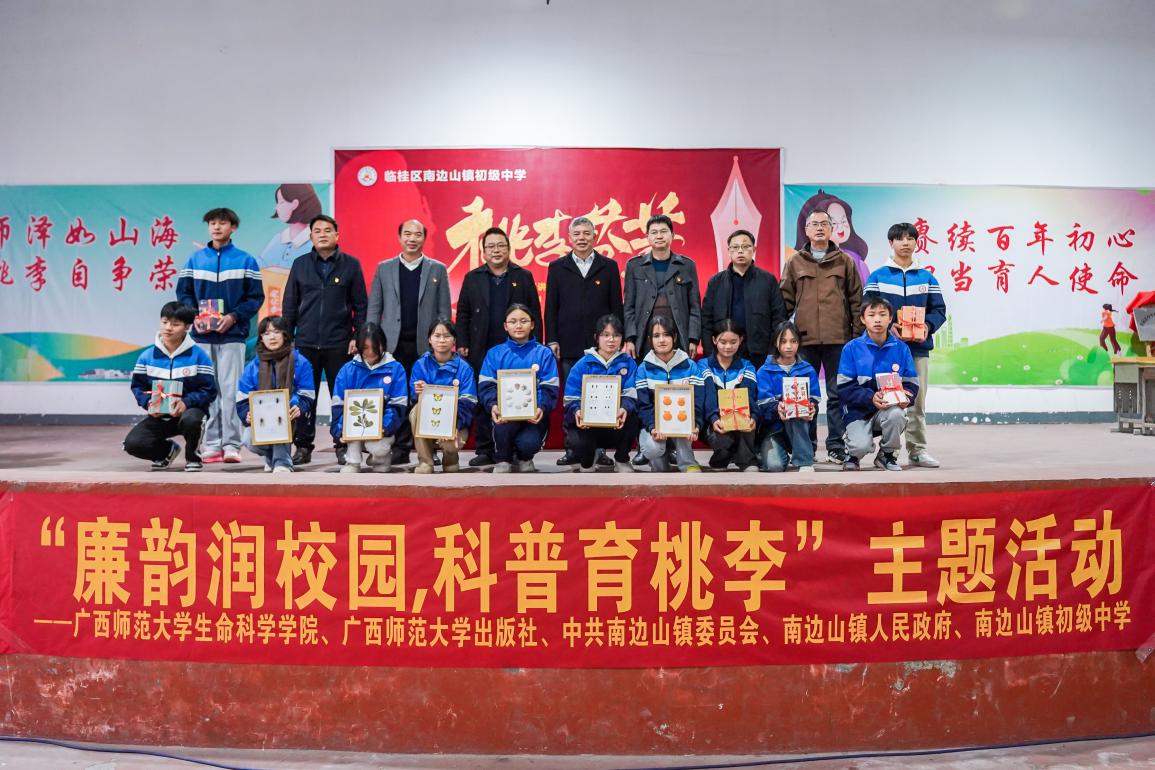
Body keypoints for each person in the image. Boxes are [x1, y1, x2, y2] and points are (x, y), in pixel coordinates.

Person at [176, 207, 264, 465]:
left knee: (231, 390)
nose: (216, 227)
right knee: (208, 390)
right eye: (212, 223)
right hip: (202, 338)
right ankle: (212, 444)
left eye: (222, 223)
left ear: (233, 227)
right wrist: (194, 316)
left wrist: (233, 317)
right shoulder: (194, 260)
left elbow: (255, 297)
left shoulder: (245, 260)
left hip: (232, 336)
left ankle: (232, 445)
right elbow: (184, 294)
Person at [280, 214, 369, 467]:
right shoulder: (300, 265)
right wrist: (288, 339)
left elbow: (361, 306)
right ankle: (303, 446)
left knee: (340, 396)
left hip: (339, 342)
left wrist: (357, 337)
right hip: (305, 342)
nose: (322, 234)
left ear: (337, 235)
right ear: (310, 236)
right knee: (304, 395)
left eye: (327, 230)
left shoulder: (351, 265)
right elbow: (290, 305)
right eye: (317, 231)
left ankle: (342, 444)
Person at [780, 209, 863, 465]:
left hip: (839, 340)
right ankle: (807, 446)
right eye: (814, 224)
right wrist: (783, 340)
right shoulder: (795, 263)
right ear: (806, 230)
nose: (819, 228)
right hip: (805, 342)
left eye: (824, 224)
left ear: (831, 229)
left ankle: (836, 446)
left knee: (837, 395)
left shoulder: (845, 261)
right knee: (805, 395)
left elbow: (856, 301)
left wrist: (856, 339)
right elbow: (784, 303)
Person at [366, 219, 452, 465]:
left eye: (417, 234)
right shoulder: (384, 268)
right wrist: (371, 339)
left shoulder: (437, 269)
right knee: (397, 396)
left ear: (424, 238)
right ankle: (401, 448)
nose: (412, 238)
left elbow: (444, 310)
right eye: (407, 234)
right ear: (399, 237)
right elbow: (375, 307)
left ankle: (430, 449)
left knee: (428, 396)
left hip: (425, 346)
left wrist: (442, 340)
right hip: (393, 345)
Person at [862, 222, 947, 468]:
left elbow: (939, 310)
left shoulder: (927, 278)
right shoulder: (878, 277)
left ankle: (917, 450)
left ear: (917, 242)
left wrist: (927, 326)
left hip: (918, 350)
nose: (906, 243)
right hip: (886, 350)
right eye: (900, 238)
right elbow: (866, 309)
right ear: (891, 243)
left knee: (916, 402)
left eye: (910, 238)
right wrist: (888, 327)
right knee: (889, 400)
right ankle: (888, 452)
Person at [456, 226, 542, 467]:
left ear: (509, 249)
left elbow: (534, 312)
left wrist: (537, 343)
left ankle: (512, 448)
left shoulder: (522, 276)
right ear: (483, 252)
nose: (496, 250)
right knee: (485, 395)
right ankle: (485, 448)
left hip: (517, 348)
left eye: (501, 246)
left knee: (518, 394)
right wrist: (462, 342)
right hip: (481, 345)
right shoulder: (472, 278)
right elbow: (463, 312)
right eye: (491, 246)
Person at [544, 216, 623, 466]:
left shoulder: (608, 266)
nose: (582, 238)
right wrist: (552, 339)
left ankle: (600, 449)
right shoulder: (557, 267)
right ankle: (572, 448)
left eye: (586, 233)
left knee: (602, 396)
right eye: (576, 233)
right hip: (569, 343)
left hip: (603, 348)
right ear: (569, 238)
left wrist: (617, 339)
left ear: (595, 236)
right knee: (573, 398)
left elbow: (616, 306)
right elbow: (551, 308)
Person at [124, 301, 218, 471]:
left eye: (175, 324)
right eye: (164, 322)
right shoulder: (147, 356)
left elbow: (209, 390)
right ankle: (166, 452)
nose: (168, 328)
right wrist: (148, 404)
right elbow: (138, 387)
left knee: (193, 420)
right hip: (160, 416)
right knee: (132, 443)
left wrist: (186, 403)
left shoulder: (199, 356)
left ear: (187, 327)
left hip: (189, 413)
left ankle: (193, 457)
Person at [837, 298, 919, 472]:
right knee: (860, 446)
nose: (877, 320)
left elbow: (911, 384)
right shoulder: (851, 348)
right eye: (871, 315)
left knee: (897, 415)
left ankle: (887, 455)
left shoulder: (902, 349)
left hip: (887, 410)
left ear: (890, 318)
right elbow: (844, 388)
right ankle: (853, 454)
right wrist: (870, 397)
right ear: (862, 319)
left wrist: (906, 398)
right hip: (857, 411)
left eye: (882, 314)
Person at [478, 304, 559, 474]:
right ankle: (503, 458)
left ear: (532, 324)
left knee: (529, 443)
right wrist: (493, 405)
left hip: (533, 416)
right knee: (501, 427)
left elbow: (550, 388)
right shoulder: (495, 353)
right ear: (505, 326)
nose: (518, 325)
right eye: (513, 321)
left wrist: (541, 407)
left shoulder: (543, 353)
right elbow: (486, 386)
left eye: (524, 321)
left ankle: (524, 457)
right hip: (505, 415)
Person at [635, 315, 715, 473]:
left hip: (682, 423)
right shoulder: (643, 369)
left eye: (666, 335)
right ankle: (659, 462)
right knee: (652, 450)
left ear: (675, 337)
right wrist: (652, 427)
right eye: (656, 336)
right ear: (650, 340)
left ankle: (688, 462)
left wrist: (696, 424)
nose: (662, 340)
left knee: (684, 421)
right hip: (656, 425)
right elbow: (644, 406)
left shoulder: (690, 366)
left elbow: (698, 400)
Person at [236, 316, 315, 473]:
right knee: (247, 439)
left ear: (285, 335)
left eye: (276, 332)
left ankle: (283, 463)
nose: (271, 337)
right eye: (266, 333)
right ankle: (272, 456)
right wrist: (247, 414)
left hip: (292, 416)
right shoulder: (253, 366)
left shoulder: (300, 362)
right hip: (262, 418)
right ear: (261, 338)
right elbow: (242, 398)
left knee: (280, 417)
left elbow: (307, 393)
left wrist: (299, 407)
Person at [562, 314, 640, 473]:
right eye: (606, 335)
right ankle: (588, 459)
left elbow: (632, 393)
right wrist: (577, 410)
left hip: (617, 423)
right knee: (577, 439)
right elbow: (570, 397)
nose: (611, 340)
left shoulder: (628, 363)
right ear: (596, 337)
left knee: (634, 416)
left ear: (622, 339)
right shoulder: (582, 364)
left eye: (616, 335)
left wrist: (624, 408)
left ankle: (622, 459)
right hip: (588, 425)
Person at [700, 229, 786, 369]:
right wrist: (710, 353)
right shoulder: (716, 282)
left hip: (760, 354)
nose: (740, 251)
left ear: (754, 250)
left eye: (745, 246)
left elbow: (778, 318)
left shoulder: (768, 280)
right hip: (725, 352)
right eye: (735, 247)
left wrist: (773, 352)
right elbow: (706, 320)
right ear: (729, 251)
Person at [330, 323, 408, 474]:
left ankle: (381, 458)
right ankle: (352, 461)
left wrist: (385, 427)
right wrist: (340, 431)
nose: (371, 352)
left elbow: (398, 406)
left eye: (375, 346)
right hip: (355, 428)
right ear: (358, 346)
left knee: (378, 451)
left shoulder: (396, 369)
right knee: (351, 427)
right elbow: (338, 406)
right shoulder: (348, 370)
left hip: (383, 429)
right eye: (365, 348)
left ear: (383, 344)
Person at [623, 214, 702, 360]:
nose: (659, 236)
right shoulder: (634, 266)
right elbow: (628, 307)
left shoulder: (686, 265)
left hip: (678, 335)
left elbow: (695, 307)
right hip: (645, 336)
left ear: (672, 235)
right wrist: (630, 338)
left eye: (664, 231)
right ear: (647, 237)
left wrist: (693, 338)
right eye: (654, 232)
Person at [409, 318, 477, 474]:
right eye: (437, 335)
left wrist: (455, 425)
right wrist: (417, 392)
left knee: (451, 449)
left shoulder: (464, 368)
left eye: (447, 336)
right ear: (429, 339)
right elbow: (413, 398)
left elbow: (469, 403)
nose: (442, 340)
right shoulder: (420, 365)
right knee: (415, 412)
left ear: (454, 340)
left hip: (455, 423)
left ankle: (450, 459)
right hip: (428, 419)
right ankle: (425, 461)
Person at [756, 321, 820, 473]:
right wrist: (777, 409)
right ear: (776, 343)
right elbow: (762, 406)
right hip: (774, 430)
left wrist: (811, 408)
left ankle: (804, 460)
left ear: (799, 343)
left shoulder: (808, 369)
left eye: (793, 341)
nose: (789, 346)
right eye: (783, 341)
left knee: (797, 408)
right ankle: (768, 452)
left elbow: (814, 400)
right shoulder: (764, 371)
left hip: (801, 427)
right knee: (775, 466)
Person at [257, 183, 323, 318]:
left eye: (281, 202)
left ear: (295, 203)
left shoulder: (315, 244)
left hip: (305, 317)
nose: (276, 207)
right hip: (272, 314)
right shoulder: (278, 239)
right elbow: (257, 269)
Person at [701, 319, 759, 471]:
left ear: (741, 340)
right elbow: (708, 396)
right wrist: (714, 418)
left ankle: (747, 461)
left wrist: (754, 417)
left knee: (747, 418)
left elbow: (750, 395)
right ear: (714, 340)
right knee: (722, 439)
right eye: (723, 342)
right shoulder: (703, 366)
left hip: (739, 419)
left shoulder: (747, 366)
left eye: (733, 342)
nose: (728, 346)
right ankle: (721, 458)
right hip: (712, 421)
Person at [792, 190, 871, 285]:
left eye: (843, 221)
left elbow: (862, 292)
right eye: (833, 223)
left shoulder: (855, 261)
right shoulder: (798, 262)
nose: (840, 227)